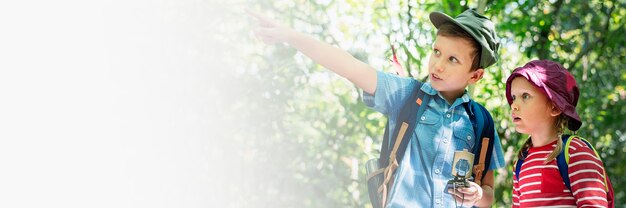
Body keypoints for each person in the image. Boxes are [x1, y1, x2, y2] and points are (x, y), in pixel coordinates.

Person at [249, 8, 505, 207]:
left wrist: (478, 194)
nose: (438, 65)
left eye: (452, 59)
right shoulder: (408, 95)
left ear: (475, 76)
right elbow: (349, 66)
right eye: (436, 52)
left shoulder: (481, 122)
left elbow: (489, 194)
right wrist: (290, 36)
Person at [507, 60, 610, 207]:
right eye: (514, 97)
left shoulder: (576, 152)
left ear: (555, 107)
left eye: (525, 96)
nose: (514, 105)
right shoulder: (521, 162)